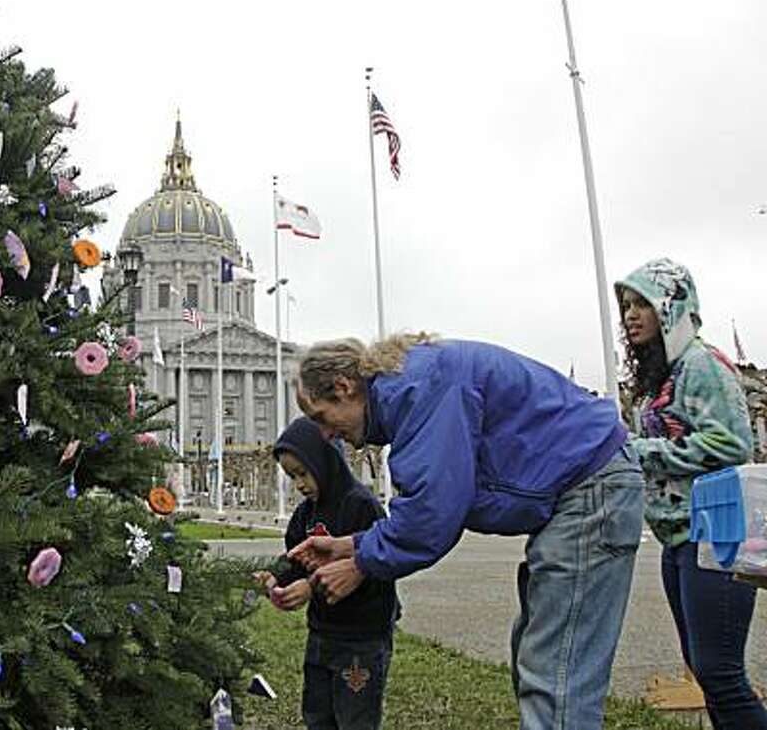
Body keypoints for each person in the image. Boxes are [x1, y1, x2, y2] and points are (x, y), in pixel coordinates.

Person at [286, 334, 644, 730]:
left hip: (590, 488)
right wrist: (350, 546)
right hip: (580, 490)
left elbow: (433, 512)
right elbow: (435, 500)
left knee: (556, 673)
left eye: (320, 417)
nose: (324, 434)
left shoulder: (421, 389)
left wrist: (362, 563)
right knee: (537, 656)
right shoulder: (414, 386)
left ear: (343, 387)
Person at [617, 258, 767, 729]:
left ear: (673, 305)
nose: (630, 314)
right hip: (680, 539)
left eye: (642, 302)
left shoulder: (703, 365)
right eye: (625, 305)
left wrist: (641, 451)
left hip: (716, 536)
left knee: (721, 674)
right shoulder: (666, 373)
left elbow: (732, 443)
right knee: (706, 672)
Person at [256, 417, 398, 729]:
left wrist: (311, 586)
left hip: (362, 637)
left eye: (303, 473)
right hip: (322, 633)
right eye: (292, 477)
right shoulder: (305, 513)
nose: (300, 484)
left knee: (355, 716)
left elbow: (375, 568)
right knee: (318, 713)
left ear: (326, 462)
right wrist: (275, 578)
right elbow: (294, 557)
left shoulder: (360, 505)